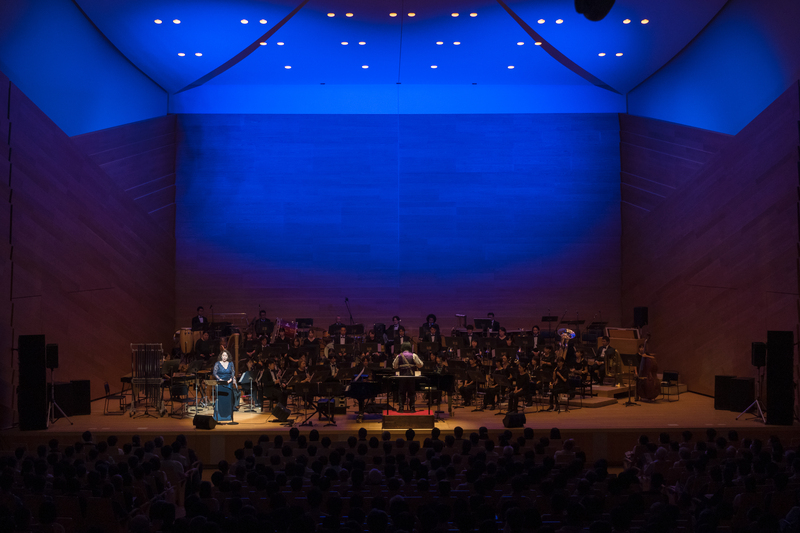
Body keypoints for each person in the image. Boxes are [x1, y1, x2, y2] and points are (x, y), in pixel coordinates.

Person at [392, 342, 423, 412]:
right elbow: (421, 365)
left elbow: (394, 366)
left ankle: (401, 408)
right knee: (411, 392)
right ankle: (412, 408)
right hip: (411, 377)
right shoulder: (414, 355)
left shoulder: (399, 356)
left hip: (402, 377)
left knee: (401, 392)